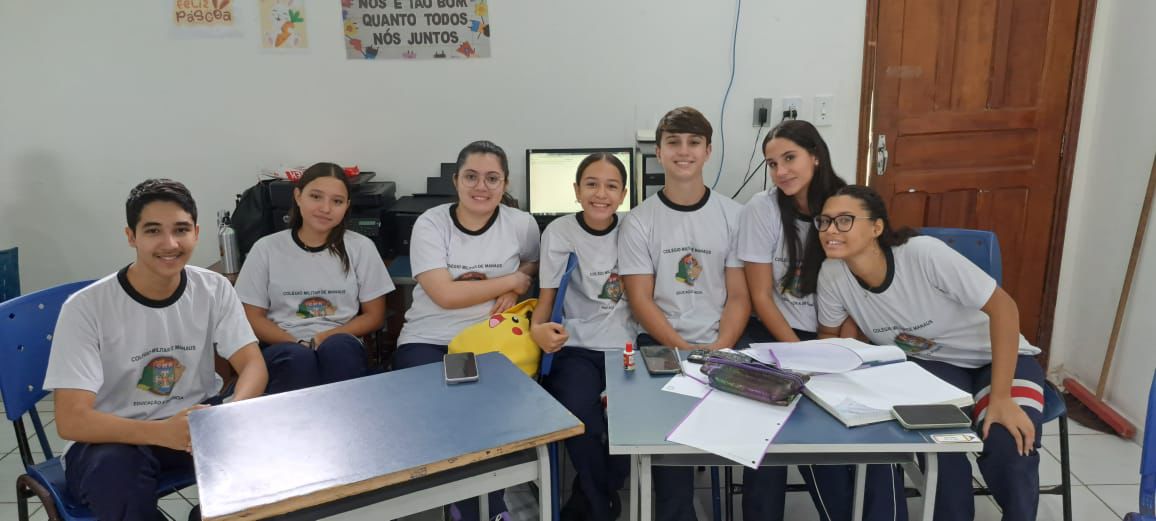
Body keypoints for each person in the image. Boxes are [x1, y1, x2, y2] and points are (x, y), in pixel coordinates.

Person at [815, 185, 1045, 521]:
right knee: (941, 449)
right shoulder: (832, 274)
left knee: (1009, 445)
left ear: (877, 227)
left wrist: (1000, 398)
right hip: (932, 366)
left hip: (999, 357)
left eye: (844, 221)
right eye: (824, 222)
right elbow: (829, 339)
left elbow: (1005, 309)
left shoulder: (922, 254)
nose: (830, 230)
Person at [45, 179, 268, 521]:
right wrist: (160, 432)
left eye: (181, 229)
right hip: (112, 436)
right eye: (153, 231)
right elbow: (71, 419)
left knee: (268, 467)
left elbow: (252, 364)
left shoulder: (214, 288)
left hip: (194, 422)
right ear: (131, 236)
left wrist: (228, 414)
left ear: (196, 232)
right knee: (115, 474)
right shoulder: (86, 307)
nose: (170, 243)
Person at [737, 121, 905, 521]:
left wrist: (832, 354)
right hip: (775, 334)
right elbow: (760, 295)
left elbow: (860, 296)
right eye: (772, 164)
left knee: (841, 427)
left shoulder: (846, 207)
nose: (781, 172)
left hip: (839, 336)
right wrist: (800, 359)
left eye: (790, 159)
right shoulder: (760, 210)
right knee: (764, 426)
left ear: (815, 154)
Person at [393, 140, 539, 521]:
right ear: (456, 180)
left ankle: (484, 506)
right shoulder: (431, 223)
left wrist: (516, 282)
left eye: (493, 178)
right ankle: (467, 504)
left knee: (482, 413)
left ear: (505, 184)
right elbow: (443, 294)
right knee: (442, 413)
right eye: (472, 176)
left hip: (487, 336)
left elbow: (534, 264)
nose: (482, 187)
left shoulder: (520, 224)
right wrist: (506, 283)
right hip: (428, 337)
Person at [618, 106, 749, 521]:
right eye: (673, 142)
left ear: (708, 151)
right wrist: (683, 350)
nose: (683, 151)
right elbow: (641, 300)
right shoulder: (639, 221)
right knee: (668, 452)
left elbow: (739, 297)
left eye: (694, 142)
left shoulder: (733, 215)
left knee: (749, 438)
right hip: (661, 345)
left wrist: (719, 347)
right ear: (659, 151)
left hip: (722, 343)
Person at [531, 153, 635, 521]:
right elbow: (546, 300)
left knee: (630, 422)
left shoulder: (633, 229)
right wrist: (536, 329)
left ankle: (592, 494)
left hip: (627, 347)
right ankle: (601, 503)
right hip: (576, 346)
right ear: (576, 190)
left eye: (611, 186)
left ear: (623, 194)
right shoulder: (559, 232)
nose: (600, 194)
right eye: (591, 184)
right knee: (580, 416)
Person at [235, 162, 394, 394]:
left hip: (340, 338)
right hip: (283, 344)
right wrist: (296, 342)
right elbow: (252, 317)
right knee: (298, 359)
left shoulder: (361, 248)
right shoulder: (266, 248)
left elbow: (374, 316)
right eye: (316, 197)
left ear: (347, 206)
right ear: (298, 196)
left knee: (338, 350)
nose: (325, 208)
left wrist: (326, 336)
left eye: (337, 201)